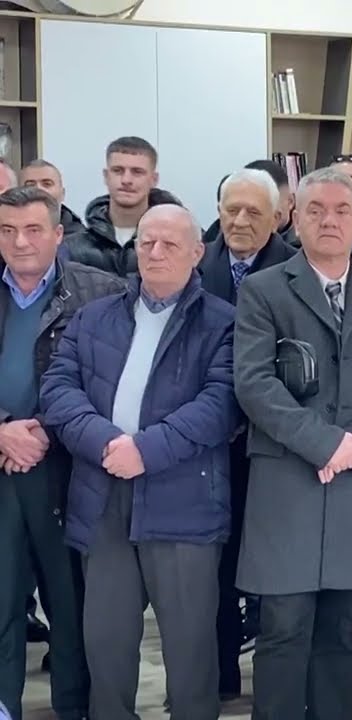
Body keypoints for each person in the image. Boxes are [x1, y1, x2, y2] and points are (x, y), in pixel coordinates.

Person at [233, 167, 352, 720]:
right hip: (289, 479)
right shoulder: (264, 289)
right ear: (295, 219)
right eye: (315, 210)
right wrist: (323, 444)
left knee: (347, 630)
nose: (329, 220)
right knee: (283, 628)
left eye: (342, 210)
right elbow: (254, 383)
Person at [40, 203, 239, 720]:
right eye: (147, 242)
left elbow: (221, 405)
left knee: (191, 651)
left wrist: (145, 451)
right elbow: (58, 389)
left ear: (196, 253)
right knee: (105, 645)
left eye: (170, 243)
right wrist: (108, 443)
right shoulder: (94, 316)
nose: (155, 252)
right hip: (102, 496)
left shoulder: (224, 323)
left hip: (184, 501)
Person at [0, 187, 120, 720]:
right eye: (7, 231)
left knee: (71, 605)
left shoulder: (102, 293)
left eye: (32, 230)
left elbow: (113, 383)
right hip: (1, 465)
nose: (20, 242)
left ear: (56, 235)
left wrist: (48, 429)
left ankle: (74, 708)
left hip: (70, 471)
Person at [195, 167, 297, 700]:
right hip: (209, 445)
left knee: (273, 566)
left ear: (278, 217)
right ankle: (220, 673)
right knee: (214, 566)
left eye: (253, 212)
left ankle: (277, 681)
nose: (238, 220)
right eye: (230, 209)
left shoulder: (298, 267)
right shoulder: (196, 264)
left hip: (276, 443)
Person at [61, 137, 181, 276]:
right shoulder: (72, 248)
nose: (126, 180)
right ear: (106, 176)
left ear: (154, 179)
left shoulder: (181, 243)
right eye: (118, 170)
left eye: (137, 172)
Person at [20, 160, 87, 238]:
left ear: (62, 193)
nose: (39, 189)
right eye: (30, 185)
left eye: (47, 184)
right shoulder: (8, 237)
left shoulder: (83, 241)